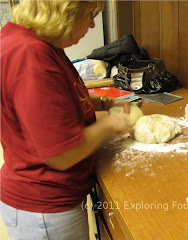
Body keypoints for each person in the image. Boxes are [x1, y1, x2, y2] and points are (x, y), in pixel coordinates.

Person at [0, 1, 131, 239]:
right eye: (90, 14)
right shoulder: (32, 58)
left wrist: (102, 103)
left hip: (47, 201)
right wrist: (110, 124)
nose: (92, 24)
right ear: (65, 11)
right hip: (44, 209)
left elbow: (55, 100)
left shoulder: (39, 44)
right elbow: (61, 154)